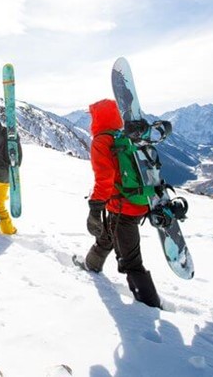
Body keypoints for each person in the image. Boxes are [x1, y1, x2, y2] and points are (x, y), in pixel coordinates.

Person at [83, 99, 161, 309]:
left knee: (131, 261)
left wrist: (95, 208)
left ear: (98, 118)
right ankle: (90, 266)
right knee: (106, 236)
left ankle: (150, 306)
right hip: (139, 201)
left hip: (122, 208)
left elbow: (105, 178)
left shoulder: (101, 140)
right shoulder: (126, 137)